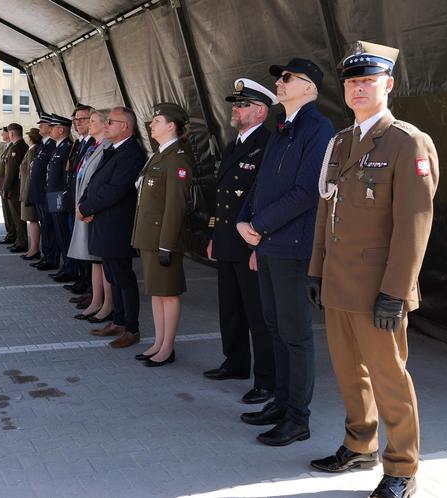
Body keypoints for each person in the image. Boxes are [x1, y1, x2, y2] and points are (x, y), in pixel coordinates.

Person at [307, 41, 439, 498]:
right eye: (351, 82)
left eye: (367, 80)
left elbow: (414, 224)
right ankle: (359, 443)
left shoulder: (406, 141)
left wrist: (396, 292)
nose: (358, 88)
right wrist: (316, 269)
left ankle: (402, 467)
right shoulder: (342, 141)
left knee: (389, 378)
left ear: (389, 85)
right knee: (349, 373)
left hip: (378, 287)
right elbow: (327, 209)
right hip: (339, 282)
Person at [236, 58, 334, 447]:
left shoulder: (318, 127)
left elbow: (307, 191)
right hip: (270, 244)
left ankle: (298, 418)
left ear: (309, 87)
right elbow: (261, 183)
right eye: (279, 77)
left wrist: (258, 227)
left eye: (288, 77)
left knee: (295, 335)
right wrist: (245, 220)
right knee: (275, 326)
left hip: (293, 247)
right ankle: (280, 402)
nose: (280, 81)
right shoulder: (281, 127)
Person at [204, 79, 277, 405]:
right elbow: (220, 199)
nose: (235, 108)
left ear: (260, 110)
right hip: (226, 240)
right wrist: (212, 234)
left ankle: (266, 379)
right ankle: (234, 362)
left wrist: (259, 245)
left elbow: (264, 199)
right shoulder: (233, 145)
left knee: (257, 314)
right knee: (230, 308)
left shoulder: (268, 144)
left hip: (250, 243)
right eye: (235, 103)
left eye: (242, 104)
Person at [77, 106, 146, 348]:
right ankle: (117, 321)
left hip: (117, 225)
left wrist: (87, 208)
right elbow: (95, 181)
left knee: (123, 277)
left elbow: (115, 190)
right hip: (103, 222)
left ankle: (131, 328)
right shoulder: (114, 150)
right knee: (112, 275)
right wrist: (84, 203)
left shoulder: (132, 153)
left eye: (110, 122)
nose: (105, 125)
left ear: (125, 127)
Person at [131, 103, 193, 366]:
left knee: (168, 293)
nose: (151, 125)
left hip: (163, 239)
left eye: (157, 121)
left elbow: (176, 206)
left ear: (171, 126)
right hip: (150, 238)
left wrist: (167, 244)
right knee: (157, 292)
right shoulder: (158, 155)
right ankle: (158, 342)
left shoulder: (177, 158)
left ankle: (167, 347)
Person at [68, 109, 113, 322]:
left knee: (101, 261)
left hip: (94, 211)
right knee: (94, 261)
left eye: (93, 121)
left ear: (105, 125)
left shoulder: (106, 148)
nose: (89, 124)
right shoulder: (93, 147)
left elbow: (99, 184)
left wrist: (88, 207)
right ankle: (96, 300)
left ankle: (107, 304)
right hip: (85, 208)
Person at [61, 105, 96, 293]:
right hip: (73, 201)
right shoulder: (79, 143)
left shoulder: (93, 144)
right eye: (75, 119)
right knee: (76, 242)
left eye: (82, 119)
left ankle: (88, 283)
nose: (77, 122)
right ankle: (82, 279)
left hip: (84, 204)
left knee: (85, 246)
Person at [27, 113, 62, 271]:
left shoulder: (53, 146)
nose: (40, 127)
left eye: (44, 124)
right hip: (41, 194)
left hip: (49, 194)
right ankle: (46, 256)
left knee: (50, 228)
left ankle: (52, 258)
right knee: (46, 226)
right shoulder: (44, 145)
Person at [45, 115, 74, 277]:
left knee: (64, 233)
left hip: (59, 196)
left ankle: (69, 268)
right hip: (53, 194)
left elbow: (66, 176)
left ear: (61, 130)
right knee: (58, 232)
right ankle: (65, 266)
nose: (50, 130)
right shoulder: (58, 147)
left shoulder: (66, 148)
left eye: (53, 127)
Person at [3, 124, 29, 253]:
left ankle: (22, 242)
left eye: (8, 133)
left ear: (12, 134)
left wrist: (6, 188)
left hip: (15, 188)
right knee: (16, 217)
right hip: (14, 187)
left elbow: (12, 171)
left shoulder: (18, 148)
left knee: (18, 217)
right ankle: (18, 240)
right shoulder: (16, 146)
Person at [19, 128, 43, 260]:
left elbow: (30, 174)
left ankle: (34, 249)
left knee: (33, 220)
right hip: (26, 190)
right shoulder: (31, 150)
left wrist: (27, 194)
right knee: (31, 220)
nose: (27, 138)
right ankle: (33, 248)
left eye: (29, 136)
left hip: (28, 191)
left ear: (32, 138)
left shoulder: (33, 151)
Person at [0, 127, 16, 245]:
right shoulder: (7, 147)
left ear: (9, 134)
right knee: (6, 212)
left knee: (11, 213)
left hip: (8, 185)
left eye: (3, 133)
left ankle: (13, 235)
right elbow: (2, 170)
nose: (1, 136)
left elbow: (10, 171)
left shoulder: (13, 147)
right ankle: (10, 234)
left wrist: (4, 186)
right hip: (3, 183)